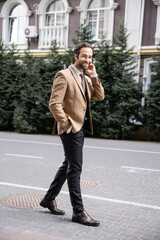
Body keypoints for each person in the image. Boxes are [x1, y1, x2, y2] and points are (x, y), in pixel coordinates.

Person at [40, 42, 104, 227]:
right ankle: (78, 212)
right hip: (71, 128)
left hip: (79, 128)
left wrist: (93, 75)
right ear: (75, 55)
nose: (87, 59)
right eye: (84, 56)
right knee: (75, 168)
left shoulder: (84, 77)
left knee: (68, 164)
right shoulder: (64, 75)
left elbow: (99, 96)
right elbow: (54, 104)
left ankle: (48, 199)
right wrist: (66, 124)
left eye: (90, 57)